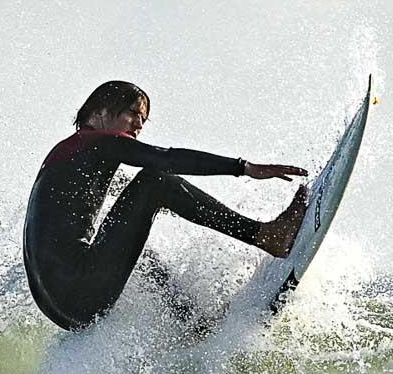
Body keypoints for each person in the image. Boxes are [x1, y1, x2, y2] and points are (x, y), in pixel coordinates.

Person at [23, 80, 308, 331]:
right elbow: (165, 160)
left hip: (62, 311)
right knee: (156, 180)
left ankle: (192, 324)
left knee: (143, 257)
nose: (139, 125)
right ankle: (265, 235)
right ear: (98, 112)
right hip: (80, 286)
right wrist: (243, 167)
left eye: (143, 119)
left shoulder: (69, 155)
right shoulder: (96, 142)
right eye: (133, 113)